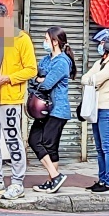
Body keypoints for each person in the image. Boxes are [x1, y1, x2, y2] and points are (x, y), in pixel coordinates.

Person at [0, 2, 38, 201]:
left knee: (12, 139)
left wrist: (8, 78)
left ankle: (17, 182)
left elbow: (31, 69)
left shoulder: (21, 38)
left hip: (8, 98)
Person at [28, 26, 75, 194]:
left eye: (46, 39)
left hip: (57, 110)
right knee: (35, 140)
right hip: (43, 109)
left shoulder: (62, 62)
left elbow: (47, 84)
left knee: (48, 145)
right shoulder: (46, 59)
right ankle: (54, 178)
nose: (44, 42)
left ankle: (53, 178)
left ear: (55, 42)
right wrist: (38, 79)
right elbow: (33, 77)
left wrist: (40, 80)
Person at [82, 28, 109, 194]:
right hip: (96, 109)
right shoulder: (100, 62)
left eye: (102, 42)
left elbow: (94, 79)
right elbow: (85, 79)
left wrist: (92, 81)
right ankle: (102, 180)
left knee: (107, 148)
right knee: (99, 148)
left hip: (107, 110)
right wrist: (91, 81)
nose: (100, 45)